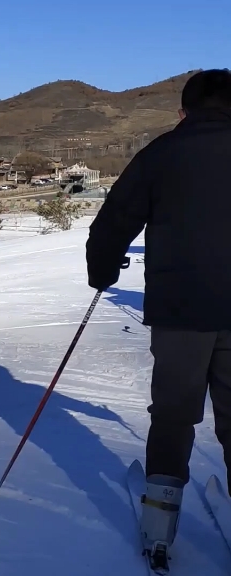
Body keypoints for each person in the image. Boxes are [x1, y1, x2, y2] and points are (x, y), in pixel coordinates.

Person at [85, 69, 231, 557]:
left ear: (184, 111)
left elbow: (112, 223)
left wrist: (103, 272)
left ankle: (160, 525)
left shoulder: (161, 153)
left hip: (180, 310)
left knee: (173, 414)